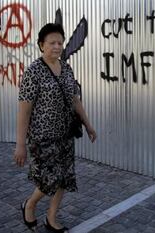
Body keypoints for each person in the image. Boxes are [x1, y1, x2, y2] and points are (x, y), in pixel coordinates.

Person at [13, 23, 96, 232]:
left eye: (60, 42)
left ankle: (51, 218)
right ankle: (30, 204)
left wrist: (88, 124)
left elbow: (75, 100)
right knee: (50, 178)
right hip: (43, 137)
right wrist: (20, 144)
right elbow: (24, 111)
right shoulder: (33, 72)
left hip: (66, 134)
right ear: (42, 45)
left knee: (65, 178)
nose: (57, 47)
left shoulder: (66, 68)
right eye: (52, 43)